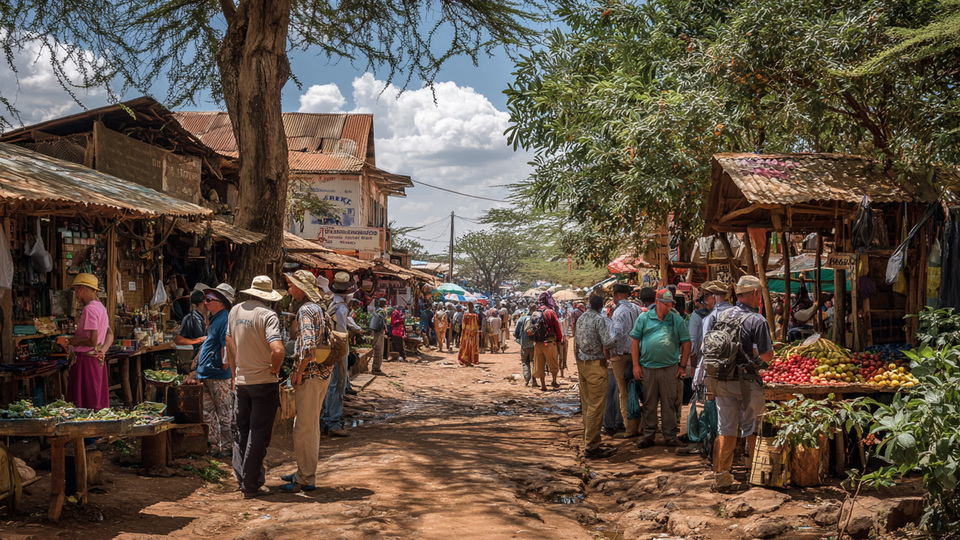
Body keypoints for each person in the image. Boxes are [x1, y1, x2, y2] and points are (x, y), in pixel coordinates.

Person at [702, 275, 774, 492]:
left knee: (725, 428)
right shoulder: (757, 320)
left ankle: (722, 477)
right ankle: (754, 475)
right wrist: (759, 363)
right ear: (754, 294)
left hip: (722, 379)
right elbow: (768, 354)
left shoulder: (721, 314)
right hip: (748, 381)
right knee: (752, 427)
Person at [225, 276, 284, 499]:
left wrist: (234, 373)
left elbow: (229, 342)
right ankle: (251, 484)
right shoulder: (268, 315)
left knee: (241, 432)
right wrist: (275, 369)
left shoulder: (235, 310)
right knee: (258, 434)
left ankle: (244, 478)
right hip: (264, 383)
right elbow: (277, 350)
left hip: (242, 381)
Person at [279, 271, 334, 493]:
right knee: (307, 426)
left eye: (291, 286)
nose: (289, 290)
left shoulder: (305, 311)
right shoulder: (320, 310)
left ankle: (305, 477)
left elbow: (308, 345)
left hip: (310, 375)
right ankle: (303, 471)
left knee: (305, 428)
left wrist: (298, 372)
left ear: (301, 289)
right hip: (322, 374)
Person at [630, 288, 691, 449]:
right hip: (648, 368)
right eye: (665, 304)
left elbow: (687, 342)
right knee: (649, 403)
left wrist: (682, 366)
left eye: (670, 303)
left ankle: (670, 436)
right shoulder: (644, 318)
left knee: (669, 403)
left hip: (669, 368)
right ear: (657, 302)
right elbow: (635, 341)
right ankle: (649, 435)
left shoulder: (676, 319)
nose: (668, 306)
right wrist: (636, 365)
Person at [194, 283, 236, 458]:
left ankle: (227, 446)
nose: (206, 302)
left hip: (218, 375)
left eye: (210, 299)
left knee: (224, 412)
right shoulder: (215, 318)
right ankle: (215, 444)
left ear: (222, 302)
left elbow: (227, 342)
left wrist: (225, 363)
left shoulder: (224, 318)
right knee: (207, 412)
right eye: (206, 299)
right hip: (207, 374)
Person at [575, 294, 617, 458]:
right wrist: (617, 341)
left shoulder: (581, 318)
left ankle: (591, 440)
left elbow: (577, 341)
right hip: (595, 365)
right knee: (596, 406)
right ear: (600, 306)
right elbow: (608, 342)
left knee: (587, 405)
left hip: (582, 364)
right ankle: (592, 446)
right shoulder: (599, 319)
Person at [321, 272, 363, 437]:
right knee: (337, 385)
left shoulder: (330, 303)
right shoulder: (341, 308)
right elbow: (341, 330)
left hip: (330, 346)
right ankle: (333, 422)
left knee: (330, 385)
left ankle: (325, 420)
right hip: (339, 346)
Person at [66, 273, 115, 410]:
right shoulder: (101, 308)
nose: (76, 294)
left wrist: (73, 341)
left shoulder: (89, 309)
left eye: (76, 290)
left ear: (82, 288)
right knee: (96, 401)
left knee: (84, 403)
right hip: (97, 359)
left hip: (86, 361)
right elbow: (110, 334)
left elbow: (92, 341)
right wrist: (103, 350)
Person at [606, 283, 642, 439]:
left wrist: (607, 345)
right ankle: (640, 425)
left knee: (624, 393)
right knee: (638, 390)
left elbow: (617, 334)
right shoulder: (637, 309)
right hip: (637, 354)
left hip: (621, 355)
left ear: (616, 295)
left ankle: (630, 428)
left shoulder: (619, 311)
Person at [532, 291, 564, 391]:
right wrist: (559, 339)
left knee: (540, 364)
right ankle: (554, 381)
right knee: (553, 363)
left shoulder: (535, 312)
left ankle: (543, 385)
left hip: (538, 343)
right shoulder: (551, 312)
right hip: (550, 342)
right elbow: (557, 328)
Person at [176, 288, 208, 357]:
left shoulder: (209, 316)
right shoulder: (189, 318)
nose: (206, 305)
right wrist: (197, 340)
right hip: (197, 356)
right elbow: (179, 340)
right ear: (195, 305)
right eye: (203, 303)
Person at [514, 309, 535, 385]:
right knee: (533, 361)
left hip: (524, 344)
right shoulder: (534, 318)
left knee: (525, 362)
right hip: (534, 344)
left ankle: (527, 379)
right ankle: (534, 380)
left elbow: (515, 333)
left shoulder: (521, 319)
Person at [370, 298, 388, 375]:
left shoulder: (377, 310)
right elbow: (385, 321)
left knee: (377, 350)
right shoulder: (382, 311)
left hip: (375, 332)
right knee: (379, 350)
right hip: (379, 332)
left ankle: (376, 367)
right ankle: (376, 368)